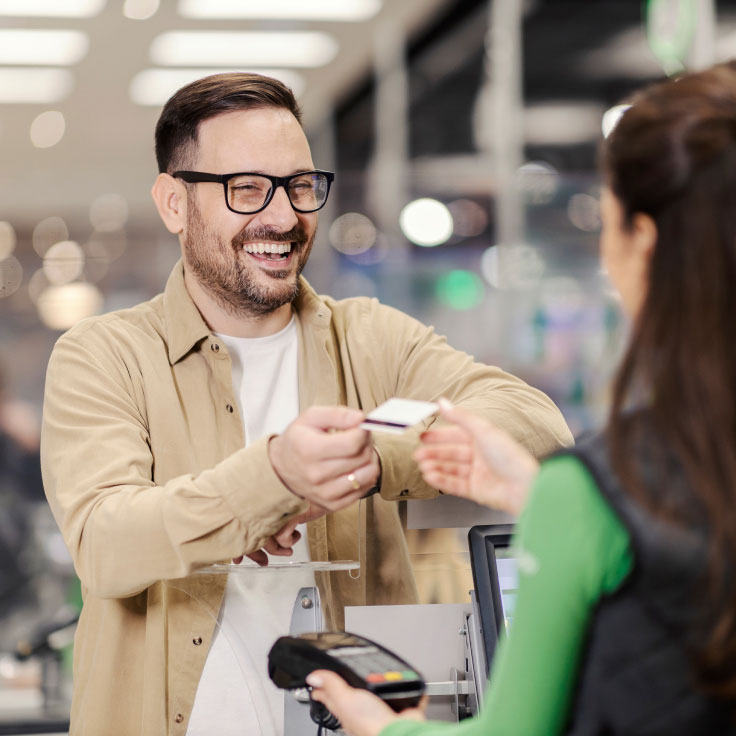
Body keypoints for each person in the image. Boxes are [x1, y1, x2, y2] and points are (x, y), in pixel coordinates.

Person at [39, 72, 572, 736]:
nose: (284, 216)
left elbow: (536, 424)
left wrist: (374, 457)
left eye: (298, 185)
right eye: (247, 188)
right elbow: (106, 540)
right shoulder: (105, 355)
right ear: (174, 204)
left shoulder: (370, 338)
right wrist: (273, 481)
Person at [308, 61, 736, 735]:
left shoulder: (598, 491)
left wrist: (383, 725)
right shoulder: (589, 498)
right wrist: (538, 499)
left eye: (609, 218)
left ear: (645, 244)